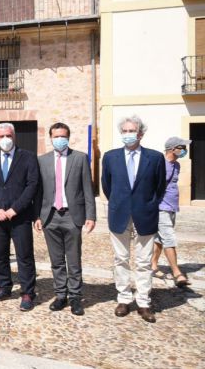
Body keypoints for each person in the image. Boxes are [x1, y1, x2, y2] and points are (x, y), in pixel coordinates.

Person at [101, 115, 166, 323]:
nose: (128, 134)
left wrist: (146, 204)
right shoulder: (110, 157)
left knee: (144, 261)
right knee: (120, 258)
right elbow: (107, 186)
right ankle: (123, 298)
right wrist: (120, 203)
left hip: (145, 214)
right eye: (125, 131)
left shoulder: (155, 158)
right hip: (119, 213)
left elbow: (159, 187)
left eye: (132, 131)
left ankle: (144, 302)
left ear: (141, 133)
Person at [33, 122, 96, 316]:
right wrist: (36, 216)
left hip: (72, 215)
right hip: (50, 216)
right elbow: (38, 191)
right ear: (50, 138)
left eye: (63, 136)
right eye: (56, 136)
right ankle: (61, 295)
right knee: (56, 260)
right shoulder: (42, 160)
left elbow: (88, 189)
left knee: (74, 259)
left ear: (68, 137)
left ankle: (76, 297)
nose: (60, 139)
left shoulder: (80, 158)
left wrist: (91, 215)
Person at [0, 122, 39, 311]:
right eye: (2, 136)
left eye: (9, 136)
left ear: (14, 137)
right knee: (0, 255)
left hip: (20, 217)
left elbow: (32, 186)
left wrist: (15, 209)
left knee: (24, 256)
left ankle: (28, 292)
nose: (6, 139)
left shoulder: (28, 158)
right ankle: (4, 287)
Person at [151, 137, 192, 288]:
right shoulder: (161, 165)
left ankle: (153, 265)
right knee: (169, 238)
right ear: (172, 149)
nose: (184, 150)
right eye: (181, 147)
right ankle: (177, 273)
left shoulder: (177, 165)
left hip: (172, 207)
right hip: (162, 207)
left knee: (159, 239)